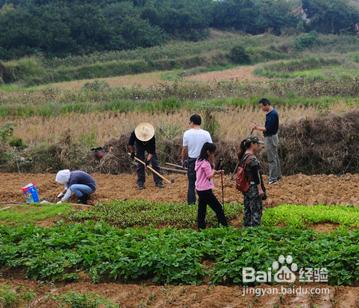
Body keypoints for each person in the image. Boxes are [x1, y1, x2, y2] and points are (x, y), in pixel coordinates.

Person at [195, 142, 228, 230]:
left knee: (202, 209)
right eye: (213, 152)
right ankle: (225, 226)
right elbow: (209, 175)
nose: (213, 154)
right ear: (208, 152)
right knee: (218, 208)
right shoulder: (205, 163)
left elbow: (207, 173)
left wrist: (217, 172)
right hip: (205, 190)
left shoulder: (199, 160)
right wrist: (215, 169)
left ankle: (201, 228)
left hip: (199, 189)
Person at [182, 114, 212, 205]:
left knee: (192, 183)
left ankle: (191, 204)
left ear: (192, 122)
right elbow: (211, 150)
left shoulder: (187, 133)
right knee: (204, 182)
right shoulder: (206, 133)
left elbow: (184, 149)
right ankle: (204, 202)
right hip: (203, 161)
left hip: (192, 161)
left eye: (189, 122)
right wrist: (211, 162)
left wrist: (183, 160)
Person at [252, 98, 282, 185]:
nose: (261, 109)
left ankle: (273, 179)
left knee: (271, 159)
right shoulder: (271, 113)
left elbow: (267, 128)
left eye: (262, 107)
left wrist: (256, 127)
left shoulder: (272, 114)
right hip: (272, 137)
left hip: (270, 138)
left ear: (266, 105)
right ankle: (278, 176)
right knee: (275, 157)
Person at [238, 136, 266, 227]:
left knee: (247, 210)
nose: (258, 146)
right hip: (253, 187)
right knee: (256, 211)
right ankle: (255, 233)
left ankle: (247, 231)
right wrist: (260, 189)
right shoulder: (252, 159)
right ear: (252, 145)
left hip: (246, 188)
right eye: (257, 144)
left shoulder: (244, 157)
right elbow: (255, 175)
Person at [128, 122, 163, 190]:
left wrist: (148, 160)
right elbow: (130, 144)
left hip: (149, 146)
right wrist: (132, 153)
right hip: (139, 146)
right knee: (140, 163)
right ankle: (140, 183)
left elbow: (152, 151)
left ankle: (158, 181)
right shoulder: (135, 133)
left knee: (155, 162)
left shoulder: (151, 136)